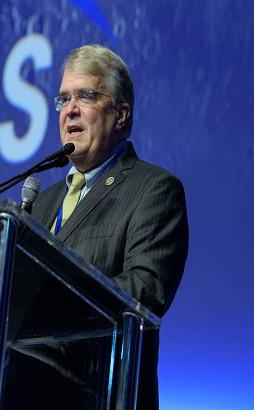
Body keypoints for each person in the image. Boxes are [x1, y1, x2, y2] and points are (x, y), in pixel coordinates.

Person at [30, 44, 189, 409]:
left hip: (101, 395)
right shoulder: (40, 202)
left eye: (86, 95)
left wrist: (46, 304)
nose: (70, 109)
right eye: (64, 98)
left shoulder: (153, 189)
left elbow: (144, 291)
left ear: (121, 115)